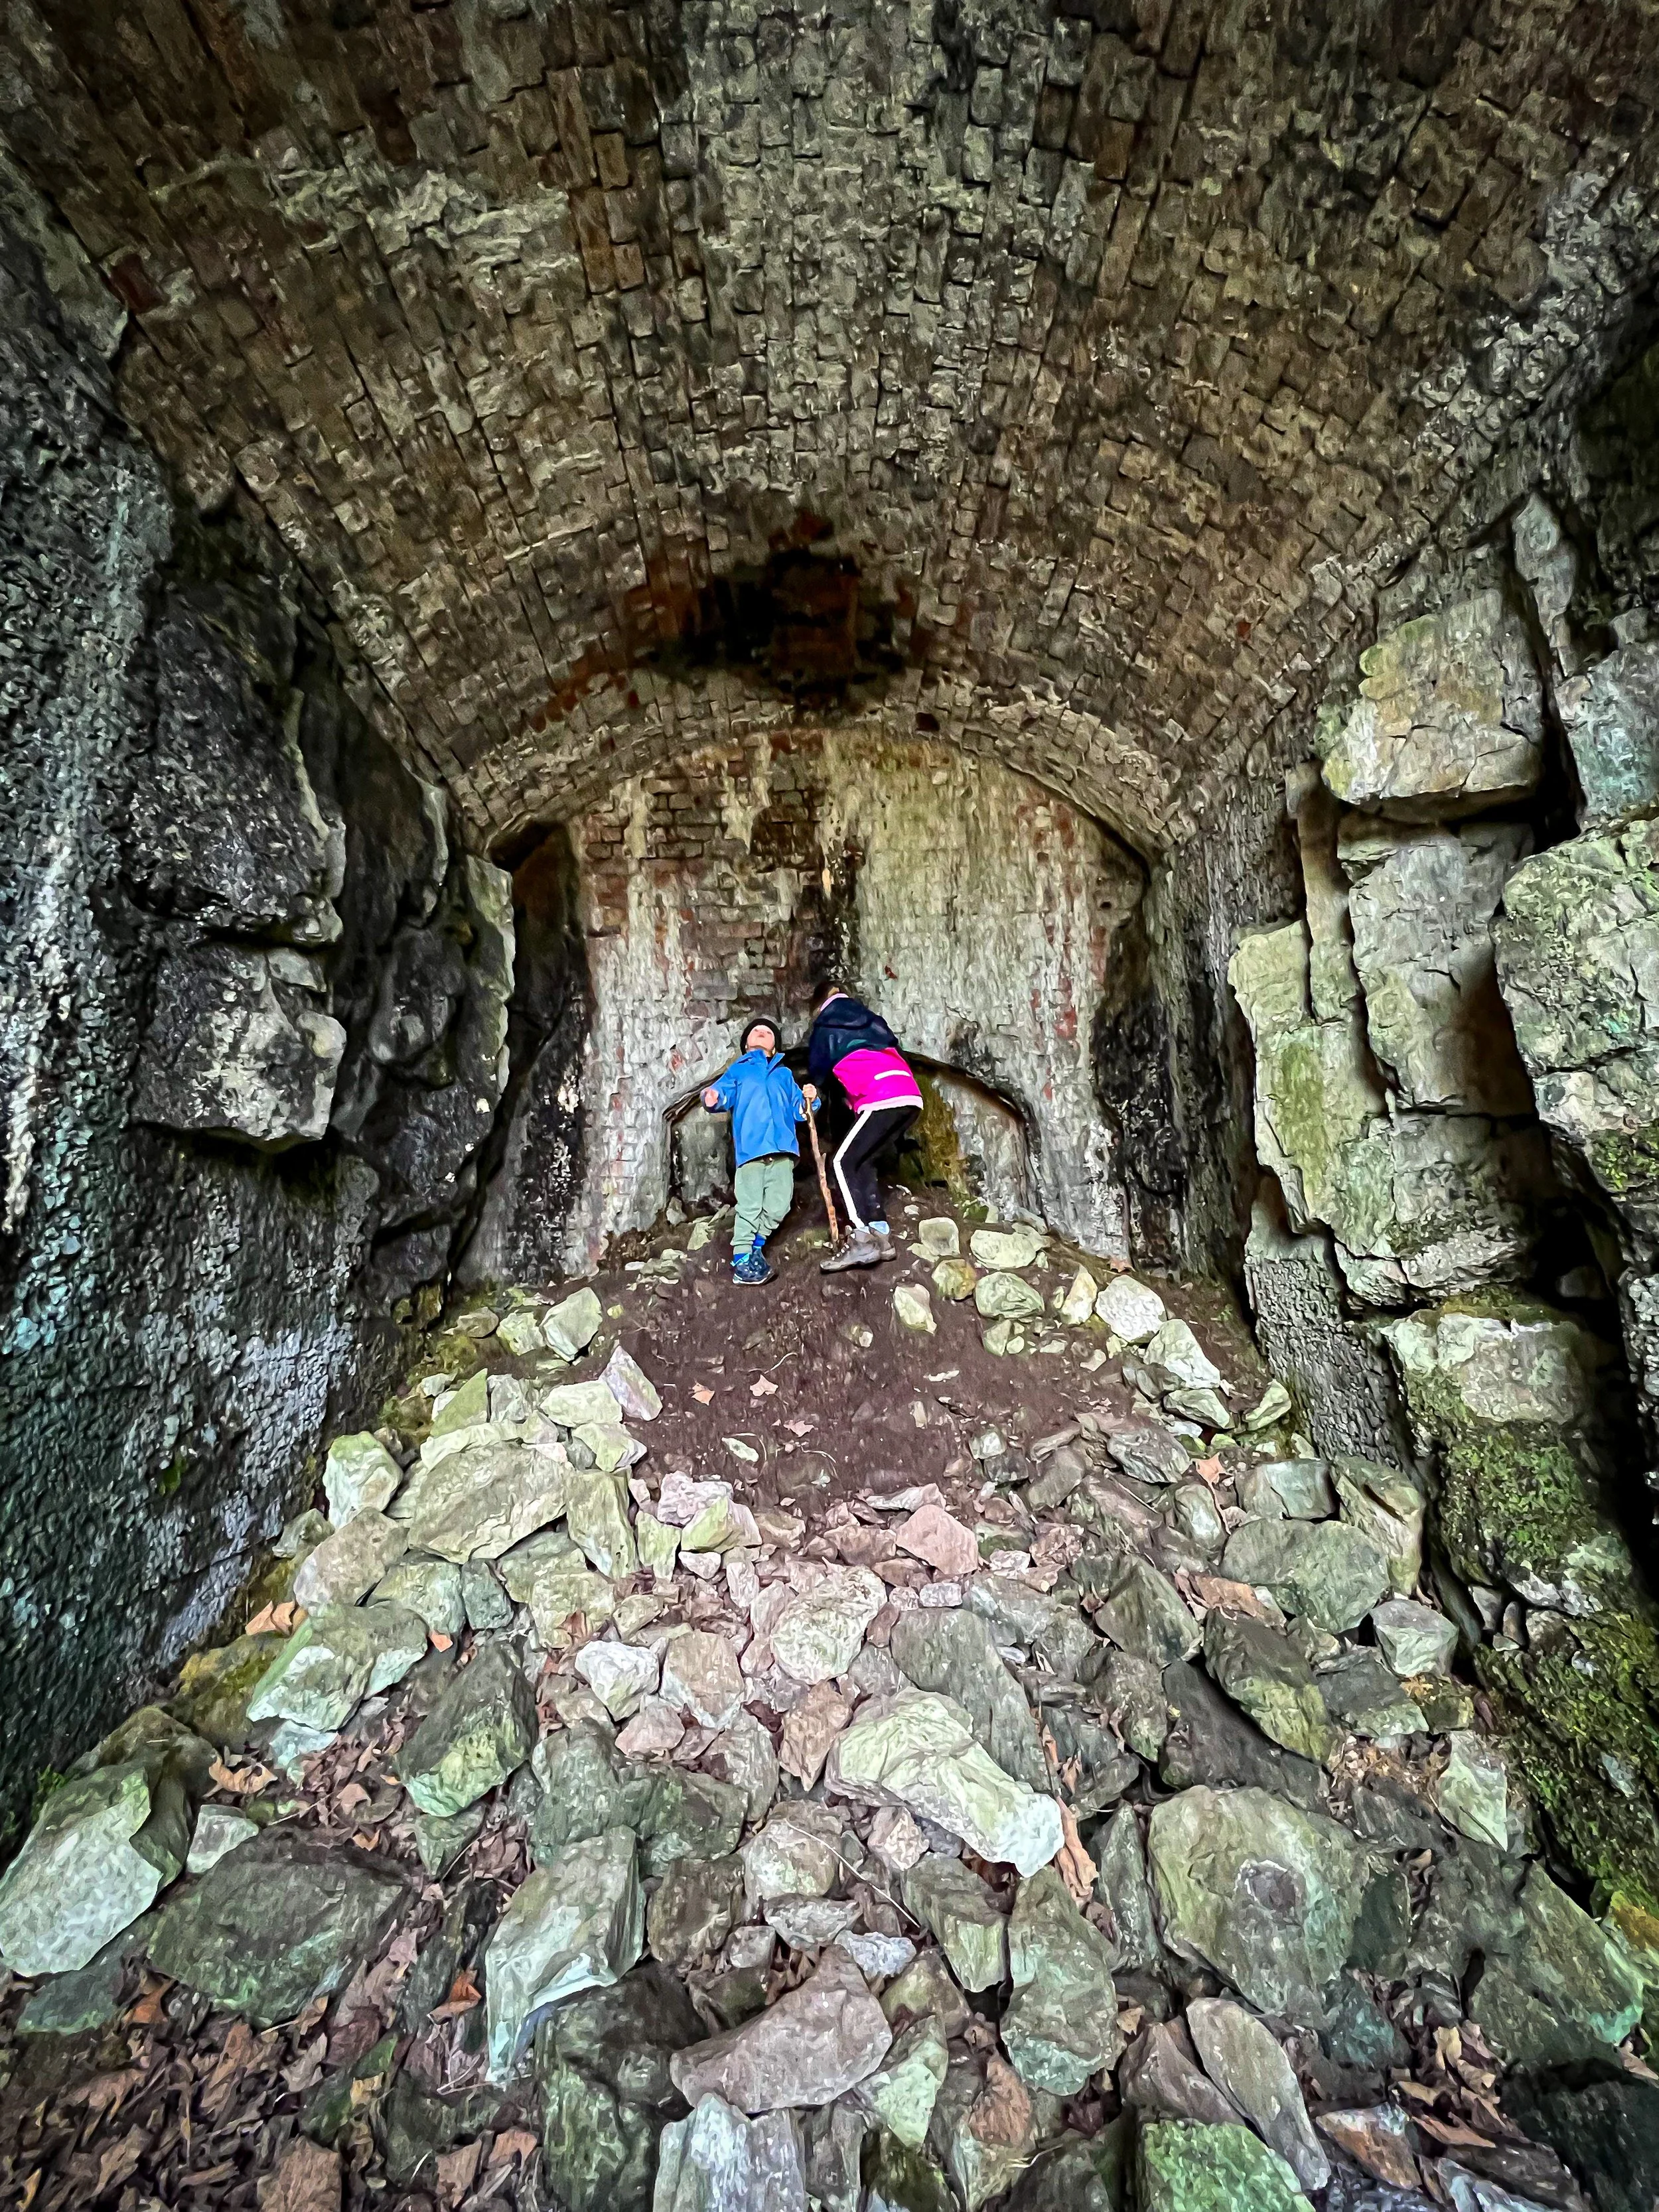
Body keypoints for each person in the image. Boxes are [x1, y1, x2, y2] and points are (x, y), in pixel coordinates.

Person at [806, 984, 923, 1271]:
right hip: (909, 1094)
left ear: (818, 1007)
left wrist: (813, 1088)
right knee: (865, 1160)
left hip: (880, 1096)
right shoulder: (872, 1019)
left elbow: (819, 1073)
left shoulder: (824, 1026)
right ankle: (881, 1236)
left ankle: (861, 1239)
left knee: (841, 1162)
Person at [701, 1017, 818, 1284]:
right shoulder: (738, 1071)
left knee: (779, 1205)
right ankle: (742, 1257)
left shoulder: (784, 1074)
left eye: (768, 1032)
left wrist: (810, 1099)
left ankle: (755, 1245)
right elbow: (722, 1093)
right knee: (750, 1205)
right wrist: (713, 1097)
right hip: (751, 1151)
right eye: (757, 1031)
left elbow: (800, 1111)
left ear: (775, 1046)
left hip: (782, 1151)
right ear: (746, 1044)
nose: (763, 1033)